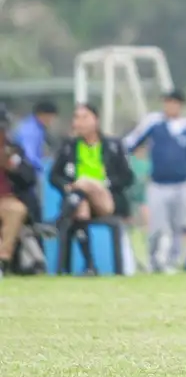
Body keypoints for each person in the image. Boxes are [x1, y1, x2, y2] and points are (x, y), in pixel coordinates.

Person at [123, 90, 186, 273]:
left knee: (179, 226)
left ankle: (172, 261)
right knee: (156, 227)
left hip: (182, 184)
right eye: (168, 102)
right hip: (158, 184)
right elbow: (131, 142)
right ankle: (153, 261)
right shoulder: (154, 123)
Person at [49, 104, 134, 275]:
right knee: (81, 208)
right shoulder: (69, 146)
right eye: (76, 118)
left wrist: (105, 184)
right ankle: (90, 265)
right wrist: (66, 186)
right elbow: (54, 176)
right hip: (80, 200)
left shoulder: (113, 145)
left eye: (84, 117)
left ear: (96, 120)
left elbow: (127, 177)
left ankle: (61, 218)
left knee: (85, 183)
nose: (79, 122)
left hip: (106, 199)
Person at [0, 104, 37, 278]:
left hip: (4, 198)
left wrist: (12, 168)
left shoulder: (12, 149)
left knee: (16, 210)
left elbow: (29, 178)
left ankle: (3, 260)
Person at [11, 100, 58, 223]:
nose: (51, 121)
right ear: (43, 115)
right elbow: (29, 156)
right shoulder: (31, 131)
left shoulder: (35, 127)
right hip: (26, 176)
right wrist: (40, 166)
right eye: (51, 117)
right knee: (33, 207)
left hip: (26, 174)